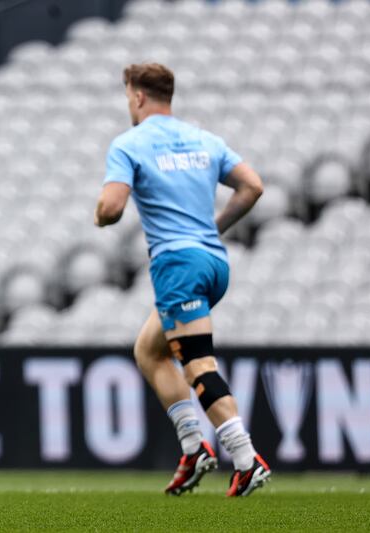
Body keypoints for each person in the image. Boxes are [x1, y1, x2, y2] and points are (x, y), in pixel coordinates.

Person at [94, 63, 270, 497]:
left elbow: (112, 208)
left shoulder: (129, 143)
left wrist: (101, 213)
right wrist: (216, 225)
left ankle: (246, 459)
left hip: (177, 264)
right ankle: (194, 447)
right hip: (213, 261)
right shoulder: (204, 140)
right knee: (149, 350)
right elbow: (252, 187)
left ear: (136, 97)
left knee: (198, 365)